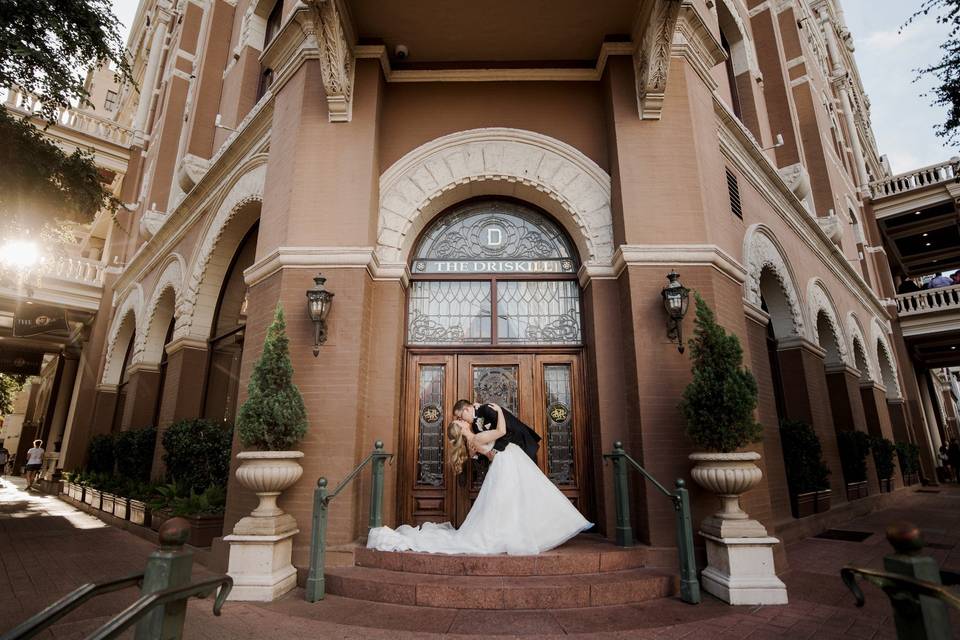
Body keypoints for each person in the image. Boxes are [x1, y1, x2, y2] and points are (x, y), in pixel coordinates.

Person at [367, 402, 592, 555]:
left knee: (509, 501)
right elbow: (501, 433)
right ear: (462, 427)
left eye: (459, 417)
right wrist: (501, 410)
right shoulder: (477, 436)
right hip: (506, 463)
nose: (462, 421)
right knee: (520, 497)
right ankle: (525, 531)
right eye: (459, 421)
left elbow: (485, 451)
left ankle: (513, 531)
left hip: (504, 464)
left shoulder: (472, 438)